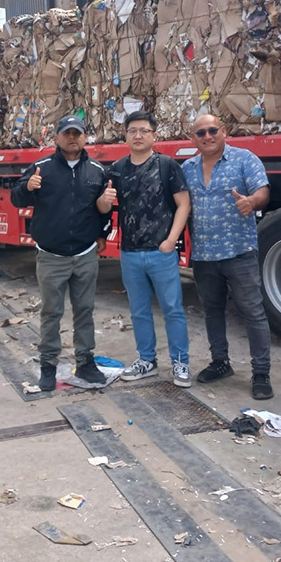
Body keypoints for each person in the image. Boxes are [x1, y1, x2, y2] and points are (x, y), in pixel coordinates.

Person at [11, 115, 109, 391]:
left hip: (85, 254)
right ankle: (48, 365)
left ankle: (85, 361)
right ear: (57, 138)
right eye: (67, 133)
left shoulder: (97, 171)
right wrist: (27, 187)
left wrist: (102, 235)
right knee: (51, 312)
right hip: (51, 256)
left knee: (84, 310)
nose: (72, 138)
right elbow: (16, 198)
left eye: (77, 133)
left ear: (85, 137)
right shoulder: (41, 168)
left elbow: (104, 207)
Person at [96, 110, 192, 387]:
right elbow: (102, 208)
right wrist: (104, 199)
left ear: (154, 135)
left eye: (144, 131)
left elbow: (183, 204)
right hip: (130, 252)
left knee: (172, 309)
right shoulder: (117, 169)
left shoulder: (167, 165)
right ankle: (146, 360)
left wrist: (171, 240)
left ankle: (181, 362)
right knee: (139, 311)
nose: (138, 135)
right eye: (132, 131)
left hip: (161, 252)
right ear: (125, 136)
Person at [181, 114, 274, 400]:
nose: (207, 136)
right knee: (212, 310)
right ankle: (220, 362)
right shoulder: (187, 168)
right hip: (204, 254)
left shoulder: (244, 159)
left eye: (212, 130)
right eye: (200, 133)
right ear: (193, 138)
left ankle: (261, 373)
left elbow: (263, 191)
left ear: (223, 131)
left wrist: (251, 201)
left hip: (238, 251)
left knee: (253, 312)